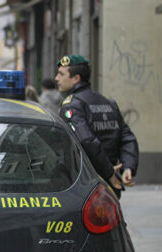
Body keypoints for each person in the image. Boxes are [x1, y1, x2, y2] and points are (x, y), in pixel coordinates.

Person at [55, 54, 139, 197]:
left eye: (61, 74)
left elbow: (86, 141)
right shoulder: (108, 103)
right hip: (111, 184)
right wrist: (128, 168)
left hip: (86, 183)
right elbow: (127, 137)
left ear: (76, 79)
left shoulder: (72, 105)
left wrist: (109, 173)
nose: (57, 78)